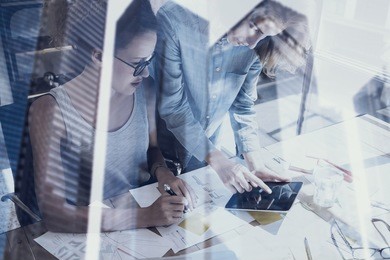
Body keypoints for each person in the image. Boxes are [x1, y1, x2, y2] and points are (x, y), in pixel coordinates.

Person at [29, 0, 195, 233]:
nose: (146, 72)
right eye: (138, 64)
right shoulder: (48, 111)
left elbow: (151, 150)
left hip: (145, 217)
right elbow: (54, 214)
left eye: (149, 61)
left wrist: (163, 172)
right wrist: (145, 216)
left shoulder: (144, 91)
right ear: (98, 55)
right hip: (90, 232)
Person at [154, 0, 310, 194]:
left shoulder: (258, 45)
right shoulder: (174, 19)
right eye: (254, 27)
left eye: (265, 35)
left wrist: (255, 163)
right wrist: (220, 162)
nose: (253, 42)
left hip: (209, 153)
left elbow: (243, 105)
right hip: (161, 153)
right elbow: (173, 107)